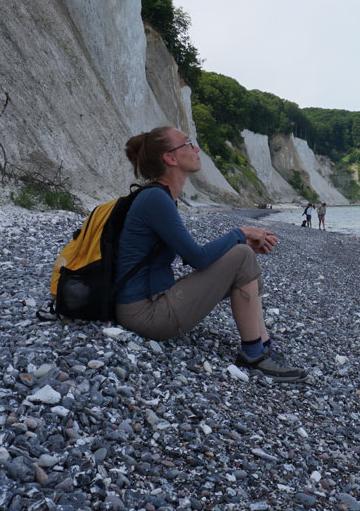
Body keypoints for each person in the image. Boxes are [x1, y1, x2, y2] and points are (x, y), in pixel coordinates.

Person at [115, 126, 307, 382]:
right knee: (241, 256)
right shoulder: (155, 199)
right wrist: (241, 233)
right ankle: (254, 354)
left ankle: (263, 346)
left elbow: (192, 254)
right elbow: (197, 258)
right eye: (188, 144)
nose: (196, 149)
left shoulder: (160, 197)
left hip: (150, 303)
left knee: (244, 259)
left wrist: (244, 242)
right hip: (145, 314)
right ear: (171, 158)